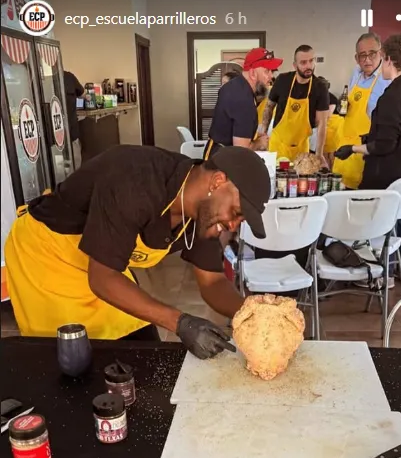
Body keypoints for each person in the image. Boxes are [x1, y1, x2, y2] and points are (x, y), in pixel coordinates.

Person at [5, 145, 270, 356]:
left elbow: (212, 281)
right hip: (47, 255)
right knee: (73, 360)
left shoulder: (205, 215)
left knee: (141, 351)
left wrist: (255, 315)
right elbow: (102, 278)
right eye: (236, 213)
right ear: (217, 182)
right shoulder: (135, 179)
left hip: (100, 260)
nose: (233, 225)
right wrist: (180, 322)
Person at [335, 33, 401, 285]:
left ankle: (383, 275)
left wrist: (354, 149)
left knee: (379, 223)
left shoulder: (391, 96)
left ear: (388, 59)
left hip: (388, 177)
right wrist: (370, 135)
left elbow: (386, 144)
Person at [333, 33, 391, 189]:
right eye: (362, 55)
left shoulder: (386, 80)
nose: (367, 59)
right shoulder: (356, 74)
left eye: (372, 54)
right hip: (344, 151)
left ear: (381, 53)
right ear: (356, 58)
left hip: (365, 154)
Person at [205, 47, 283, 157]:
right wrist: (258, 143)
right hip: (223, 162)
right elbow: (240, 150)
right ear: (252, 74)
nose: (271, 76)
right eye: (267, 71)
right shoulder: (243, 100)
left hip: (215, 153)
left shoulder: (235, 86)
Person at [260, 45, 329, 164]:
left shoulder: (320, 88)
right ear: (295, 65)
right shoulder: (283, 80)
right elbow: (269, 107)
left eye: (311, 61)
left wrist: (319, 153)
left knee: (300, 181)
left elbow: (322, 123)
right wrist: (263, 135)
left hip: (301, 147)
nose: (308, 66)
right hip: (278, 145)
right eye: (303, 62)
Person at [63, 70, 84, 170]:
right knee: (74, 165)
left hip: (70, 131)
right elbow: (82, 93)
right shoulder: (69, 77)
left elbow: (81, 92)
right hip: (67, 132)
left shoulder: (69, 77)